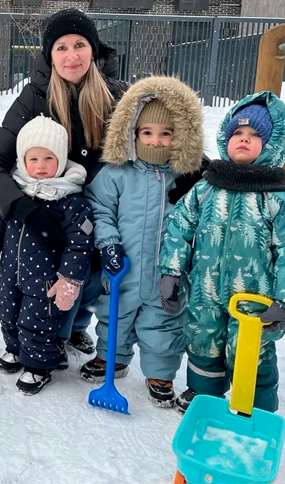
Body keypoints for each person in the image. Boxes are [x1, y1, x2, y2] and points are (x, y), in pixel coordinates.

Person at [0, 8, 206, 357]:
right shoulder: (34, 98)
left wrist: (197, 169)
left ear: (93, 49)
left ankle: (77, 326)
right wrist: (24, 209)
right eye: (61, 47)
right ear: (50, 55)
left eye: (80, 45)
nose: (72, 56)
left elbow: (159, 131)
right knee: (48, 275)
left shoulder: (118, 96)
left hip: (103, 205)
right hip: (51, 207)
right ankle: (49, 335)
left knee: (94, 275)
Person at [159, 91, 285, 414]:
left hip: (254, 297)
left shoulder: (277, 198)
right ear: (225, 138)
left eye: (255, 135)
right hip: (205, 290)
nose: (244, 139)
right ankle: (203, 393)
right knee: (203, 340)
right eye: (238, 133)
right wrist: (171, 270)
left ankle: (255, 406)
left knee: (251, 350)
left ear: (272, 144)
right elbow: (179, 228)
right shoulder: (206, 188)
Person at [83, 76, 204, 407]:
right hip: (123, 267)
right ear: (132, 133)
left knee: (164, 324)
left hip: (167, 272)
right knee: (114, 316)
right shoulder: (117, 172)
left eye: (166, 134)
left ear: (181, 136)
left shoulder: (187, 180)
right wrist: (108, 244)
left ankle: (159, 373)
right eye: (147, 132)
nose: (156, 140)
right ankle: (112, 358)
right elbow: (100, 209)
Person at [0, 116, 94, 395]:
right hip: (10, 273)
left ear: (61, 160)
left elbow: (80, 244)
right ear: (22, 160)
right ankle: (15, 349)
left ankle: (39, 366)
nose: (41, 165)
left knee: (39, 320)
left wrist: (70, 279)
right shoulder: (14, 192)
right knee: (8, 311)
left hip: (46, 280)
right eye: (34, 159)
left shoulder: (70, 201)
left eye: (49, 158)